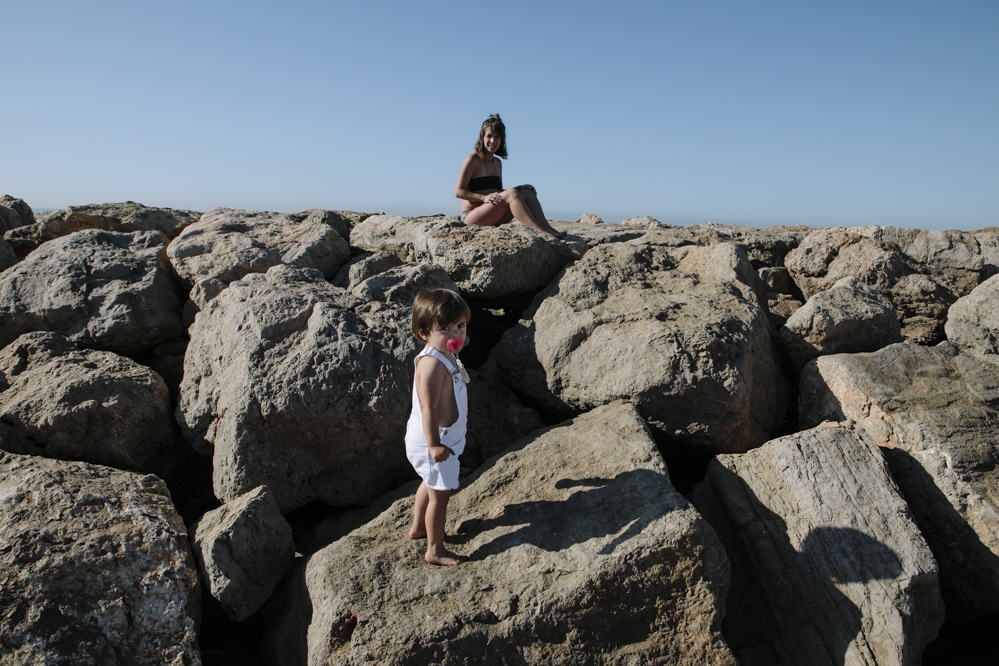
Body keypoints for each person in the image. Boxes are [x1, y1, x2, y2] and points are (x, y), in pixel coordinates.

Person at [405, 289, 472, 566]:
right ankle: (435, 549)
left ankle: (418, 527)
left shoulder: (445, 353)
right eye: (444, 328)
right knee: (440, 497)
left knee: (429, 482)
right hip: (436, 440)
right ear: (423, 333)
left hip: (445, 437)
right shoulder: (432, 364)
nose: (455, 333)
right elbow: (427, 408)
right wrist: (434, 445)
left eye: (461, 326)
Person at [455, 114, 567, 239]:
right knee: (512, 193)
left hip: (492, 215)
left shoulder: (497, 163)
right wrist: (483, 198)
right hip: (472, 216)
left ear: (502, 140)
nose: (493, 141)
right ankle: (542, 233)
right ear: (482, 137)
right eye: (489, 136)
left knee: (527, 193)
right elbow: (458, 192)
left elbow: (500, 193)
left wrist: (519, 188)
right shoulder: (473, 160)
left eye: (497, 137)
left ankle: (548, 229)